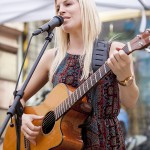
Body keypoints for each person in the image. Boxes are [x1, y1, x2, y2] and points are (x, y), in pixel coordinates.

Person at [20, 0, 139, 149]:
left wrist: (125, 75)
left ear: (86, 7)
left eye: (68, 4)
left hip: (106, 143)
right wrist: (22, 118)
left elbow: (130, 102)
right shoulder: (52, 57)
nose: (61, 10)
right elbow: (19, 98)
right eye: (58, 7)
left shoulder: (114, 51)